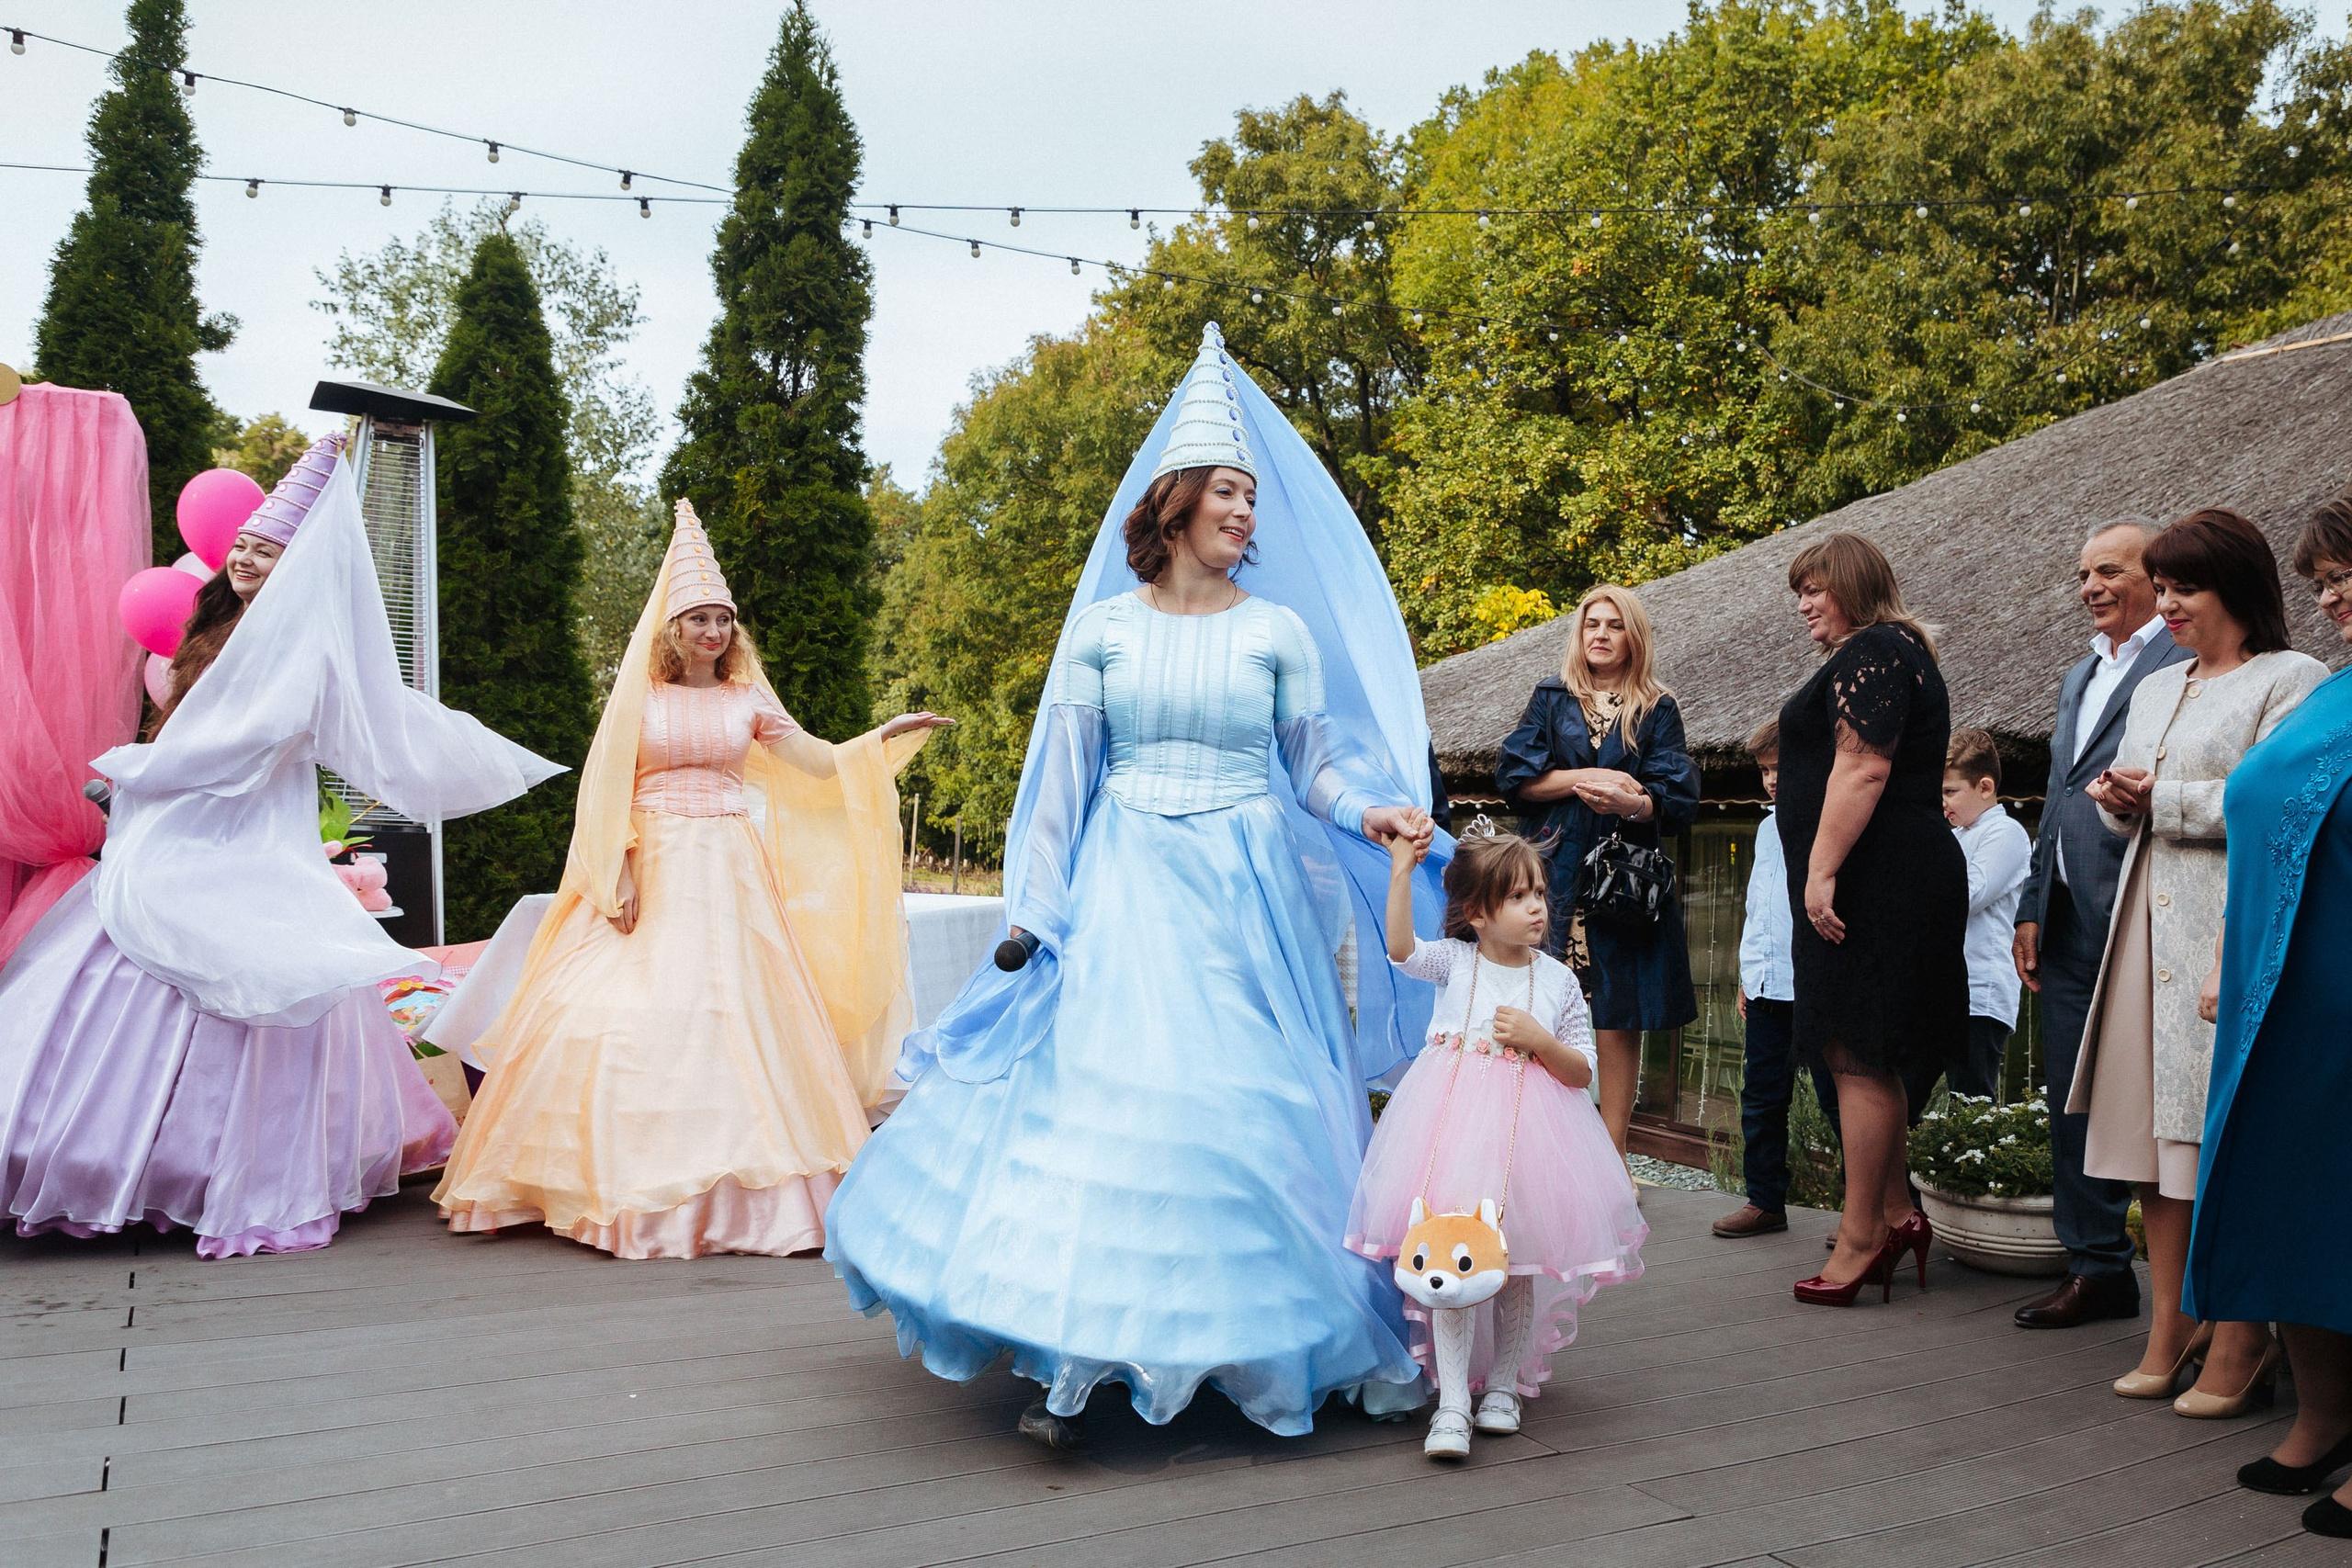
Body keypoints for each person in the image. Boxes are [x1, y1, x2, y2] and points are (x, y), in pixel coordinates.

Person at [826, 325, 1442, 1447]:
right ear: (1174, 507)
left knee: (1242, 1106)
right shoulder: (1104, 635)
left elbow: (1315, 767)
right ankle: (1084, 1358)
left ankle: (1248, 1342)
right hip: (1128, 883)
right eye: (1227, 492)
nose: (1247, 513)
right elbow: (1060, 786)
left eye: (1252, 495)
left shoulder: (1278, 632)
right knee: (1118, 1100)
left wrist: (1372, 810)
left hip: (1248, 891)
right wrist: (1037, 907)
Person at [0, 435, 562, 1257]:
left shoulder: (307, 647)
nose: (247, 562)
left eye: (268, 551)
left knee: (258, 968)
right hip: (182, 827)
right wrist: (147, 778)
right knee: (142, 964)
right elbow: (193, 727)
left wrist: (142, 770)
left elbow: (250, 740)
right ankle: (110, 1152)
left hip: (245, 828)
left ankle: (215, 1165)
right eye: (245, 548)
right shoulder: (215, 628)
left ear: (299, 562)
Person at [433, 502, 946, 1259]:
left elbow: (813, 761)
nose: (713, 632)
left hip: (732, 869)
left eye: (722, 620)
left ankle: (744, 1192)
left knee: (739, 1011)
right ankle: (602, 1178)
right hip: (657, 859)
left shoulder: (748, 699)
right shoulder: (641, 699)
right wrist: (620, 868)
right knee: (630, 1011)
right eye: (699, 619)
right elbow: (610, 789)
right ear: (672, 629)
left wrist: (882, 738)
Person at [2074, 507, 2325, 1412]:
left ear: (2235, 589)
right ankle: (2171, 1323)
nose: (2166, 604)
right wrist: (2117, 799)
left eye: (2184, 587)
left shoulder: (2291, 677)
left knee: (2217, 1135)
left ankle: (2241, 1336)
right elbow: (2132, 804)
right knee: (2153, 1144)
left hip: (2230, 922)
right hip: (2145, 924)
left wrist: (2163, 799)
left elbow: (2288, 805)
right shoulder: (2155, 688)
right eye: (2163, 587)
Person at [1347, 822, 1644, 1459]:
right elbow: (1401, 948)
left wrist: (1540, 1040)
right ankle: (1452, 1402)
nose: (1537, 905)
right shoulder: (1457, 962)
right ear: (1478, 912)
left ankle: (1503, 1386)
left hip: (1526, 1143)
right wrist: (1400, 870)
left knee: (1513, 1265)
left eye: (1538, 891)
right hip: (1451, 1133)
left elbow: (1583, 1072)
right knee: (1451, 1261)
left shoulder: (1559, 981)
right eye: (1517, 896)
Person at [2188, 497, 2352, 1539]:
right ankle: (2327, 1414)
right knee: (2293, 1196)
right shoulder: (2335, 695)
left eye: (2345, 575)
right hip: (2282, 998)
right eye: (2323, 580)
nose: (2330, 597)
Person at [1775, 532, 1967, 1306]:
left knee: (1858, 1050)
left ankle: (1863, 1237)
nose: (1804, 603)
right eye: (1801, 591)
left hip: (1875, 881)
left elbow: (1864, 765)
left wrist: (1820, 871)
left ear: (1852, 584)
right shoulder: (1890, 651)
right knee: (1859, 1045)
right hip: (1882, 875)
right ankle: (1895, 1212)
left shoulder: (1875, 652)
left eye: (1815, 588)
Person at [2010, 517, 2189, 1331]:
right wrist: (2030, 905)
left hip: (2150, 912)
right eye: (2084, 574)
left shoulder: (2182, 656)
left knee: (2158, 1099)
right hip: (2071, 915)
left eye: (2110, 571)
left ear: (2157, 577)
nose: (2091, 587)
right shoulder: (2080, 674)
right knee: (2069, 1095)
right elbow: (2055, 797)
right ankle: (2095, 1266)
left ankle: (2187, 1294)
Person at [1495, 584, 1701, 1160]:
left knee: (1617, 1014)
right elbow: (1515, 778)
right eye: (1592, 625)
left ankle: (1612, 1158)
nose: (1601, 635)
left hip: (1622, 877)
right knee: (1541, 1001)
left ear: (1633, 636)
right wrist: (1596, 780)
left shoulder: (1657, 706)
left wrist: (1633, 804)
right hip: (1553, 869)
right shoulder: (1551, 697)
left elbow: (1674, 798)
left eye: (1614, 626)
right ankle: (1535, 1149)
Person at [1716, 718, 1826, 1237]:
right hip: (1764, 984)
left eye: (1781, 768)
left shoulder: (1832, 821)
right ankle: (1765, 1200)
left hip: (1816, 984)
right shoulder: (1764, 828)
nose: (1773, 780)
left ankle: (1869, 1212)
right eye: (1764, 770)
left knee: (1839, 1097)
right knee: (1761, 1096)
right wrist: (1747, 974)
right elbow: (1757, 907)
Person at [1941, 728, 2031, 1100]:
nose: (1942, 801)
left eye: (1950, 791)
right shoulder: (1958, 835)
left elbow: (1966, 895)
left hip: (1980, 992)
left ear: (1984, 786)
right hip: (1945, 989)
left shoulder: (2006, 833)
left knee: (1970, 1101)